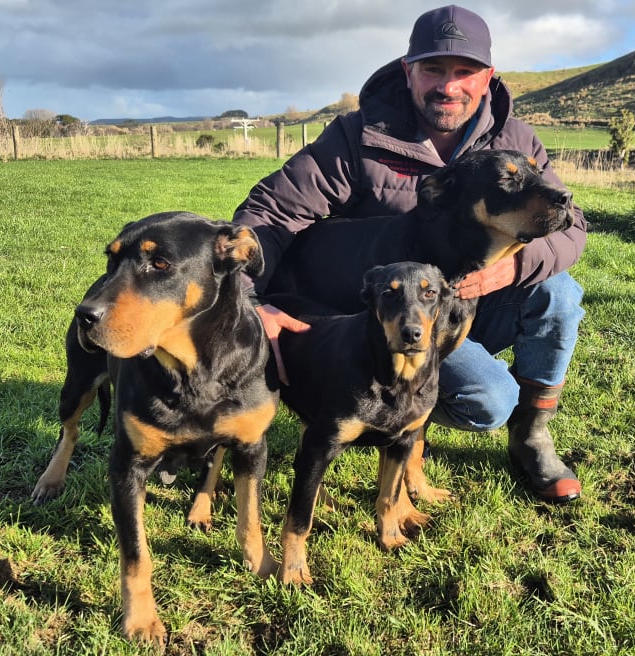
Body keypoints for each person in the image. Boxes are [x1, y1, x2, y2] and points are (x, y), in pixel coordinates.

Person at [235, 5, 587, 504]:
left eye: (464, 72)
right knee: (490, 400)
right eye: (433, 70)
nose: (448, 86)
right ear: (408, 71)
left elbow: (570, 226)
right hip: (389, 312)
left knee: (559, 292)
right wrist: (249, 300)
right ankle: (385, 415)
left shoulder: (516, 140)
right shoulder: (360, 136)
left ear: (487, 77)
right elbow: (271, 210)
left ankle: (532, 436)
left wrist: (512, 267)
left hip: (474, 297)